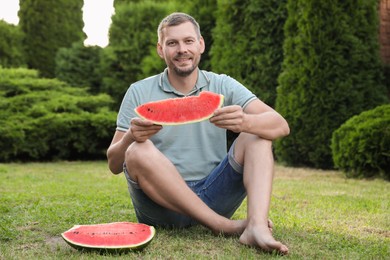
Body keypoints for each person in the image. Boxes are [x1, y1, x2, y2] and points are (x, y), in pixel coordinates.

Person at [107, 12, 290, 254]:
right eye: (172, 43)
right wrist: (131, 135)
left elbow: (280, 125)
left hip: (216, 194)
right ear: (160, 50)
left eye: (188, 41)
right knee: (138, 150)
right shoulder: (138, 91)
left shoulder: (223, 85)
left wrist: (244, 121)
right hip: (162, 205)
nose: (181, 49)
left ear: (200, 44)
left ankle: (256, 227)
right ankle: (224, 226)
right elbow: (114, 164)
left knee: (256, 134)